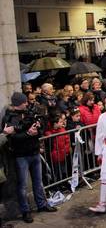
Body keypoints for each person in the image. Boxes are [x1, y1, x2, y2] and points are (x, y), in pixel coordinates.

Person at [1, 92, 57, 223]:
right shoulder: (9, 117)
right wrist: (28, 133)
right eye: (24, 102)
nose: (27, 103)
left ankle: (42, 205)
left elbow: (39, 128)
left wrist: (37, 131)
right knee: (23, 186)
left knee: (38, 182)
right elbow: (13, 138)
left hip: (34, 151)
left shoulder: (29, 112)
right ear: (18, 104)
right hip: (21, 155)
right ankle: (25, 211)